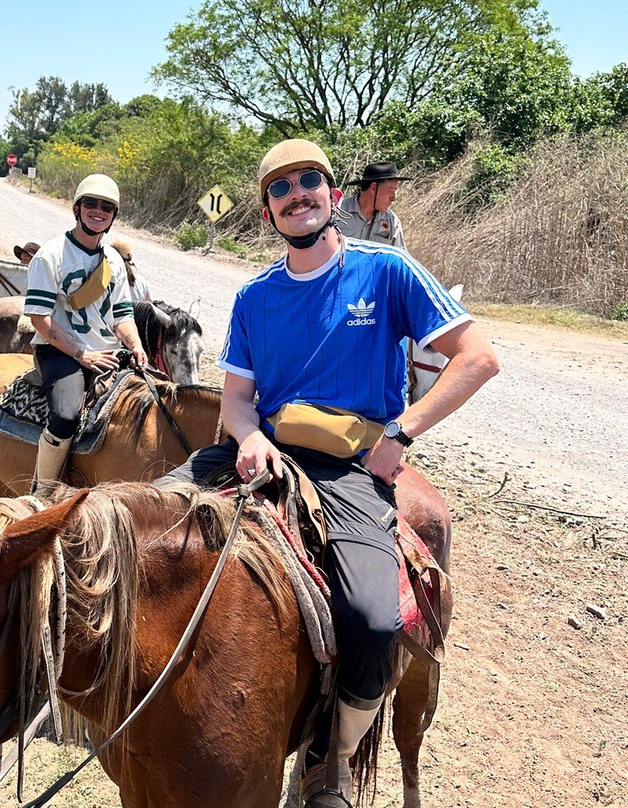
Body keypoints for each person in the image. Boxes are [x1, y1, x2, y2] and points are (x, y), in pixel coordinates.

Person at [165, 140, 498, 808]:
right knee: (137, 525)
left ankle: (332, 757)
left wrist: (402, 431)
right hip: (262, 450)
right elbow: (233, 398)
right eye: (280, 188)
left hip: (349, 465)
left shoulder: (387, 270)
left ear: (334, 195)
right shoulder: (255, 296)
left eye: (308, 180)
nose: (296, 195)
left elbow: (477, 358)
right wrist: (251, 435)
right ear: (267, 212)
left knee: (374, 623)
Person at [23, 173, 148, 495]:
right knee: (65, 416)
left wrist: (135, 345)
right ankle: (43, 492)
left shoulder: (114, 261)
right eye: (90, 204)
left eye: (106, 207)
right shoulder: (50, 255)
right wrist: (81, 353)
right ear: (76, 209)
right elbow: (39, 318)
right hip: (61, 352)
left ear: (113, 215)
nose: (98, 211)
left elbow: (122, 316)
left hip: (107, 351)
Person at [337, 161, 410, 248]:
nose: (393, 198)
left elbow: (399, 258)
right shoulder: (337, 212)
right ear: (374, 188)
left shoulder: (392, 221)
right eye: (390, 191)